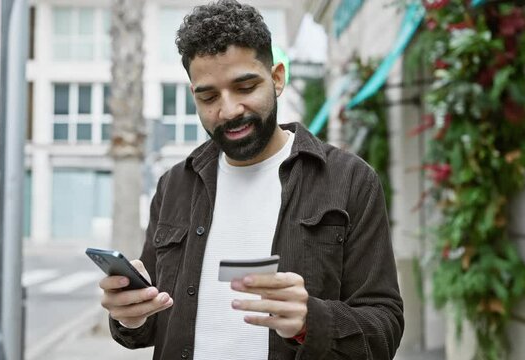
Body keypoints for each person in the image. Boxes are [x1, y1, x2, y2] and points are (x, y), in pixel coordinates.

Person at [99, 1, 404, 358]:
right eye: (209, 96)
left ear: (277, 77)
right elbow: (153, 319)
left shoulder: (349, 180)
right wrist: (129, 316)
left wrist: (312, 321)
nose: (228, 110)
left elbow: (385, 327)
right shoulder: (174, 186)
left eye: (244, 87)